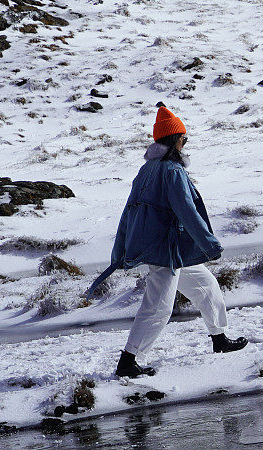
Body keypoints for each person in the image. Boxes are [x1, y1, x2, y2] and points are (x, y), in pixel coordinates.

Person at [87, 102, 248, 378]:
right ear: (175, 140)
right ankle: (128, 361)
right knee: (159, 306)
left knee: (206, 286)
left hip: (167, 248)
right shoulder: (172, 172)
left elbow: (129, 210)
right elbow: (186, 211)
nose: (186, 142)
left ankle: (219, 339)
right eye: (184, 138)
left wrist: (121, 248)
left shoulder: (147, 169)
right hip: (164, 248)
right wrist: (209, 244)